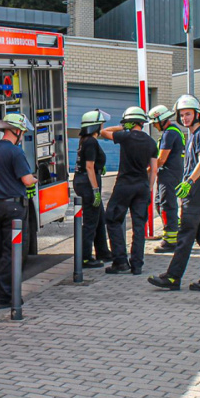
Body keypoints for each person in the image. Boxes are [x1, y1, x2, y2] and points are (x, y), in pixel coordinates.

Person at [148, 95, 200, 291]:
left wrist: (189, 181)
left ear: (197, 114)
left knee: (185, 234)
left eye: (188, 114)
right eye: (182, 115)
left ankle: (173, 277)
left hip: (197, 188)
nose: (185, 118)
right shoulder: (193, 134)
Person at [0, 113, 38, 310]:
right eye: (22, 131)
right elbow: (27, 180)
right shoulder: (16, 153)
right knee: (12, 252)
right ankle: (6, 296)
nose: (22, 135)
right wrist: (35, 178)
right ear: (15, 130)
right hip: (14, 208)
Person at [99, 107, 158, 275]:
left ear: (129, 122)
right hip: (142, 186)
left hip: (124, 185)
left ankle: (120, 262)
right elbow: (154, 170)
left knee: (112, 219)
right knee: (139, 226)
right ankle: (137, 265)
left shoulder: (125, 136)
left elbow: (103, 132)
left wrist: (120, 127)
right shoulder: (151, 142)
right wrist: (149, 188)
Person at [73, 110, 113, 268]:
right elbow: (89, 167)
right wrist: (95, 190)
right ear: (95, 126)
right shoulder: (90, 142)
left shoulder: (86, 140)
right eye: (101, 124)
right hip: (88, 184)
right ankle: (85, 257)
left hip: (84, 181)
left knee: (99, 218)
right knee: (90, 222)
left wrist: (99, 167)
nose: (102, 127)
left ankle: (103, 252)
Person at [148, 104, 186, 254]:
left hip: (169, 174)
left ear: (161, 120)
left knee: (166, 205)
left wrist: (146, 171)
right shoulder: (174, 131)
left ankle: (171, 240)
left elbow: (162, 159)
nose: (154, 126)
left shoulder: (169, 133)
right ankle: (176, 230)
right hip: (171, 174)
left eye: (155, 123)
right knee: (160, 203)